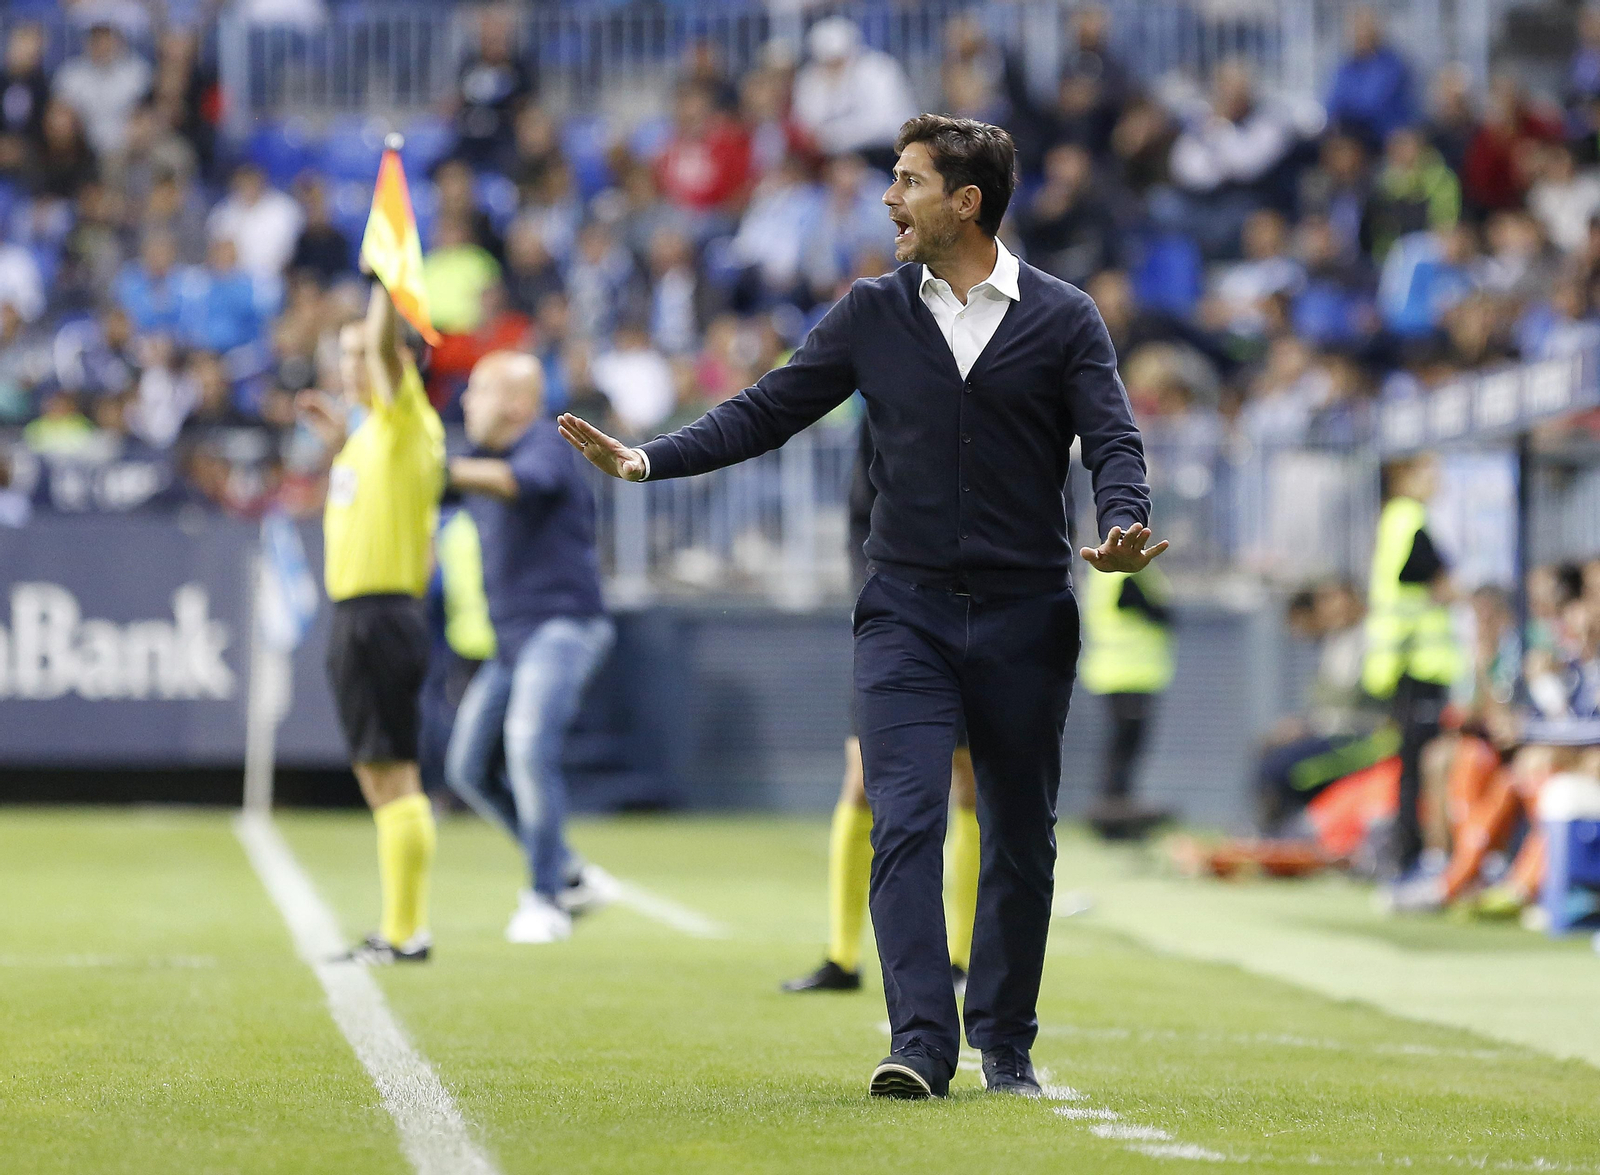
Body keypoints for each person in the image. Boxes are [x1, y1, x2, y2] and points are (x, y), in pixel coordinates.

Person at [558, 115, 1163, 1100]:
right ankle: (920, 1039)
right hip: (905, 611)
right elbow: (766, 406)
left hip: (1026, 615)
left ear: (965, 203)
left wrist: (1127, 519)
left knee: (1019, 834)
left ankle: (1004, 1041)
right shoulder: (869, 312)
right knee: (906, 818)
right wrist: (647, 457)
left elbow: (1112, 440)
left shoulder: (1064, 317)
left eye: (908, 181)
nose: (888, 197)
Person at [783, 421, 981, 996]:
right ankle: (842, 956)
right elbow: (858, 516)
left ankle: (961, 958)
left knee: (968, 782)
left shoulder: (1005, 385)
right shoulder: (888, 395)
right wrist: (875, 598)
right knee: (861, 779)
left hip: (982, 616)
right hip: (898, 621)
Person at [446, 351, 618, 944]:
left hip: (564, 626)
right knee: (467, 767)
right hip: (513, 641)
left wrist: (442, 467)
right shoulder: (477, 461)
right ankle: (568, 870)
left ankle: (544, 899)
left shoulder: (545, 440)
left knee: (525, 745)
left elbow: (520, 483)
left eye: (479, 390)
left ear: (517, 401)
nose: (466, 401)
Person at [300, 281, 446, 964]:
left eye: (364, 351)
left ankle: (407, 932)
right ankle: (399, 928)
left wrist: (386, 279)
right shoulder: (367, 436)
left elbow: (388, 346)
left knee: (394, 775)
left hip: (381, 614)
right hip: (360, 615)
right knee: (379, 777)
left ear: (401, 362)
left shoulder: (404, 417)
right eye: (345, 352)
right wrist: (336, 442)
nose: (352, 363)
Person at [1361, 453, 1460, 894]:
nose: (1436, 477)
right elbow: (1435, 582)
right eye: (1429, 469)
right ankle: (1411, 858)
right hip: (1417, 665)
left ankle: (1408, 857)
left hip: (1401, 665)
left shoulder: (1393, 522)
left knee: (1412, 768)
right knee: (1417, 770)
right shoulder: (1410, 518)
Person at [1078, 563, 1175, 839]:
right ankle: (1113, 821)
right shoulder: (1126, 572)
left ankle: (1116, 816)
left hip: (1124, 675)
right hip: (1127, 675)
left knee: (1124, 749)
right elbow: (1156, 612)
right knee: (1123, 751)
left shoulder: (1110, 572)